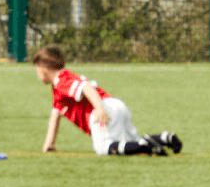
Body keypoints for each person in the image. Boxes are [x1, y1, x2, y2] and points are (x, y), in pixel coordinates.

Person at [32, 44, 182, 156]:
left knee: (103, 147)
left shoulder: (61, 80)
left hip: (102, 111)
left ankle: (145, 147)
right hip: (116, 105)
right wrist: (49, 144)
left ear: (42, 70)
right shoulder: (58, 90)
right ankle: (164, 138)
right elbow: (55, 116)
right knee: (130, 141)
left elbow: (85, 87)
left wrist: (99, 109)